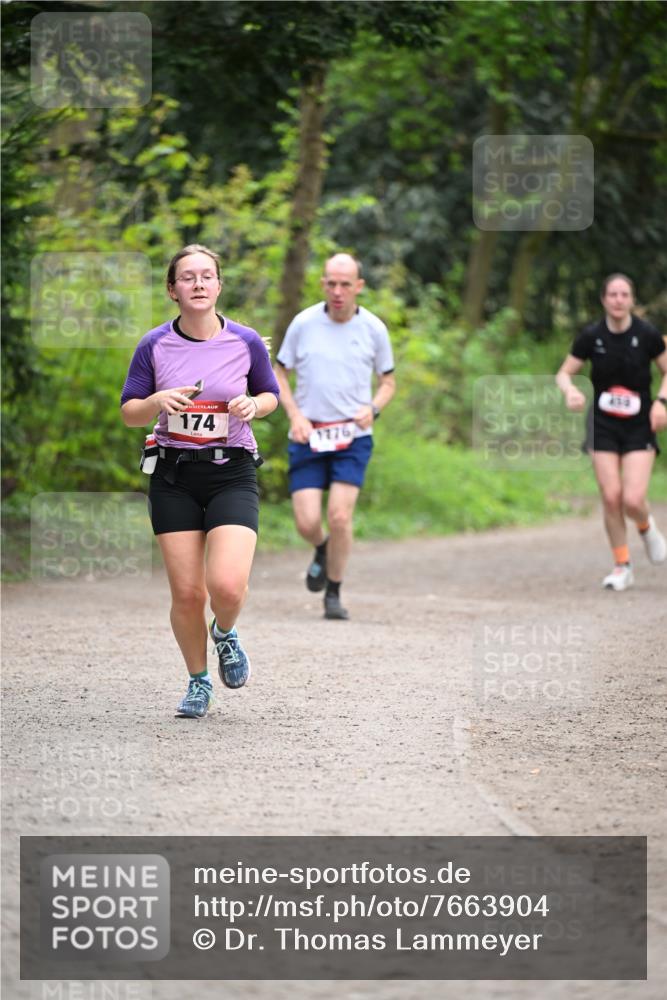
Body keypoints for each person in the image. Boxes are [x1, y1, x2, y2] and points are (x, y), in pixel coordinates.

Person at [120, 245, 279, 717]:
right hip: (173, 474)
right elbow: (130, 412)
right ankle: (198, 681)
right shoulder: (154, 345)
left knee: (227, 587)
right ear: (173, 290)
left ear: (218, 286)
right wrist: (157, 401)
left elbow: (270, 393)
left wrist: (255, 406)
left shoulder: (245, 340)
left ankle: (225, 633)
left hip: (232, 470)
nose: (198, 284)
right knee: (188, 593)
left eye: (207, 276)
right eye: (187, 277)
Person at [274, 253, 395, 619]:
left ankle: (334, 593)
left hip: (352, 436)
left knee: (340, 517)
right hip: (309, 434)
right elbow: (277, 373)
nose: (338, 291)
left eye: (346, 284)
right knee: (307, 522)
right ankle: (323, 549)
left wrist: (372, 408)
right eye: (332, 283)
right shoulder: (303, 324)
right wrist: (294, 415)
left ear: (359, 286)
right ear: (323, 284)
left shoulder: (374, 328)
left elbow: (388, 382)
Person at [556, 273, 667, 591]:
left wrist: (661, 402)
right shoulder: (591, 336)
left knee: (632, 499)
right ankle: (622, 566)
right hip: (602, 424)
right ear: (604, 300)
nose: (618, 300)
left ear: (632, 300)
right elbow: (564, 373)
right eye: (613, 294)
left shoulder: (647, 335)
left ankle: (646, 526)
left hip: (638, 424)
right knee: (610, 496)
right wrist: (570, 391)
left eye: (624, 294)